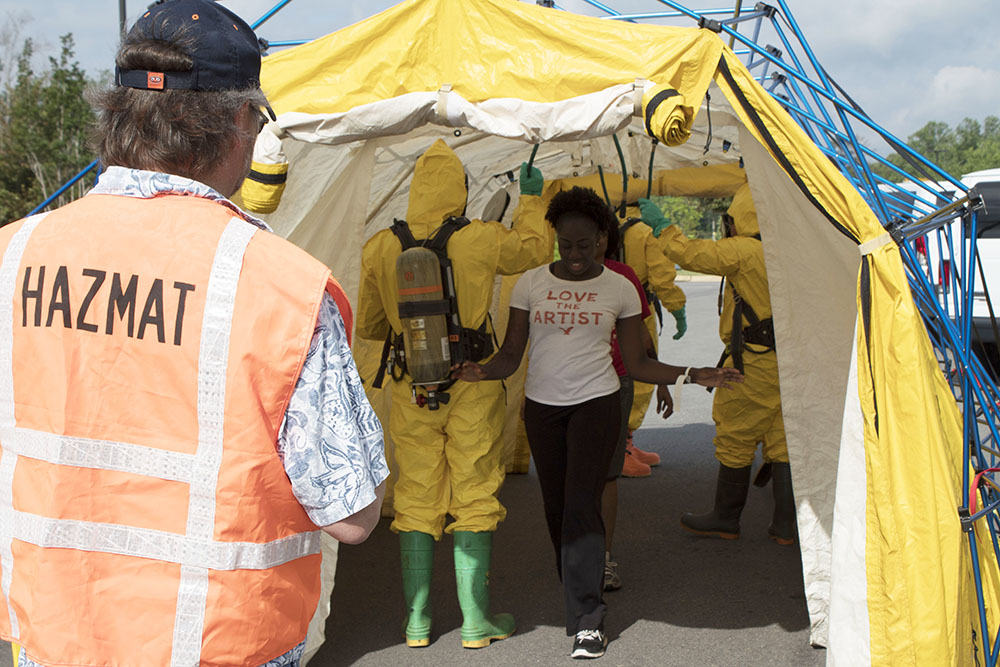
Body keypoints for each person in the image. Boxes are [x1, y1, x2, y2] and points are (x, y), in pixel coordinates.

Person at [0, 2, 388, 665]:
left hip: (52, 639)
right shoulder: (279, 285)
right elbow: (350, 513)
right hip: (217, 641)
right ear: (241, 120)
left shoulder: (15, 255)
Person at [452, 186, 742, 659]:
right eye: (565, 245)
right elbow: (509, 355)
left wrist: (695, 374)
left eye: (584, 245)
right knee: (556, 507)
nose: (574, 256)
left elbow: (637, 362)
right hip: (543, 410)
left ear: (603, 239)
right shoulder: (529, 284)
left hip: (597, 405)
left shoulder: (619, 287)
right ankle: (579, 579)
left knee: (583, 506)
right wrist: (480, 370)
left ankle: (589, 620)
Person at [356, 139, 549, 649]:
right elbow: (536, 250)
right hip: (473, 381)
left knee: (416, 497)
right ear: (461, 190)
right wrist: (531, 201)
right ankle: (475, 623)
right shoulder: (480, 238)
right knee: (475, 493)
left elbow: (373, 323)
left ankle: (417, 623)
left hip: (410, 385)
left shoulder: (380, 245)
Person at [637, 184, 796, 545]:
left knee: (735, 435)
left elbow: (693, 254)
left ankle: (726, 518)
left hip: (752, 364)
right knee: (782, 439)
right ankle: (785, 526)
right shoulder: (788, 249)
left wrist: (662, 228)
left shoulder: (745, 250)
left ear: (736, 219)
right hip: (787, 362)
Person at [595, 222, 674, 593]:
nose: (581, 248)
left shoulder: (623, 277)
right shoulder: (547, 280)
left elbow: (641, 334)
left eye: (593, 237)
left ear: (606, 240)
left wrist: (662, 383)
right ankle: (580, 555)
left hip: (616, 384)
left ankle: (604, 559)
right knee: (575, 478)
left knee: (607, 476)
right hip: (567, 391)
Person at [616, 205, 688, 476]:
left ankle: (624, 444)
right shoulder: (646, 232)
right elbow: (662, 277)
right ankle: (620, 450)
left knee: (614, 376)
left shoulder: (608, 224)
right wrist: (677, 309)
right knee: (639, 379)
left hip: (607, 312)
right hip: (637, 314)